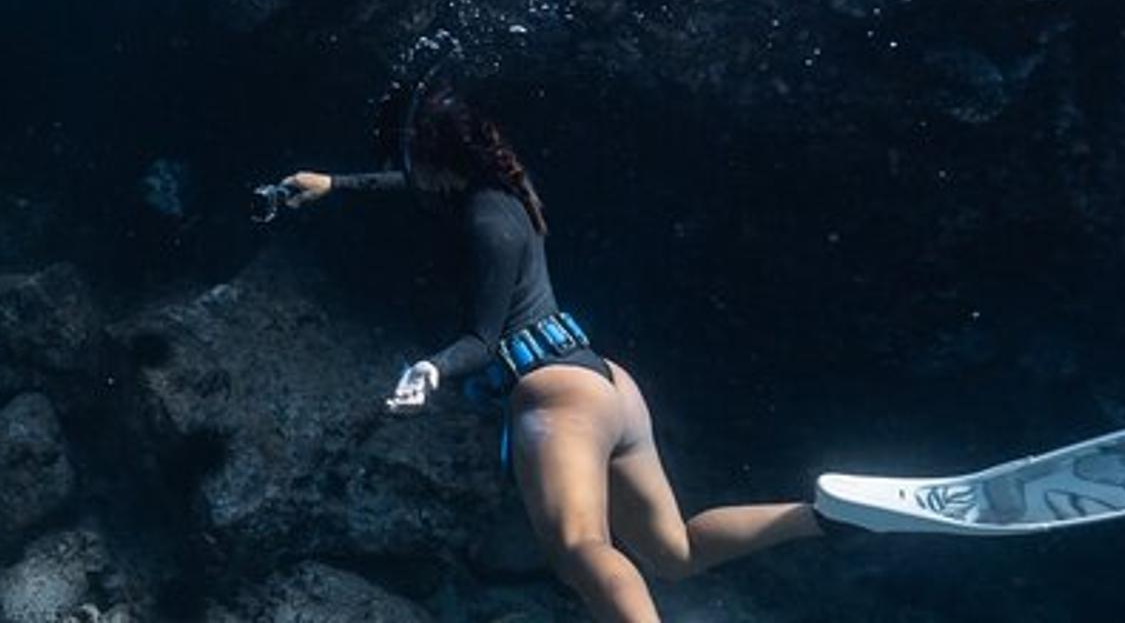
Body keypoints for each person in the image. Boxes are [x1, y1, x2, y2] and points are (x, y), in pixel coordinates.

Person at [276, 74, 824, 623]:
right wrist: (335, 183)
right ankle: (821, 518)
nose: (411, 176)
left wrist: (430, 369)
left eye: (409, 160)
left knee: (580, 548)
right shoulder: (503, 186)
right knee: (673, 552)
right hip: (604, 383)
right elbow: (412, 184)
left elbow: (483, 341)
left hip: (556, 399)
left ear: (431, 157)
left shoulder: (487, 224)